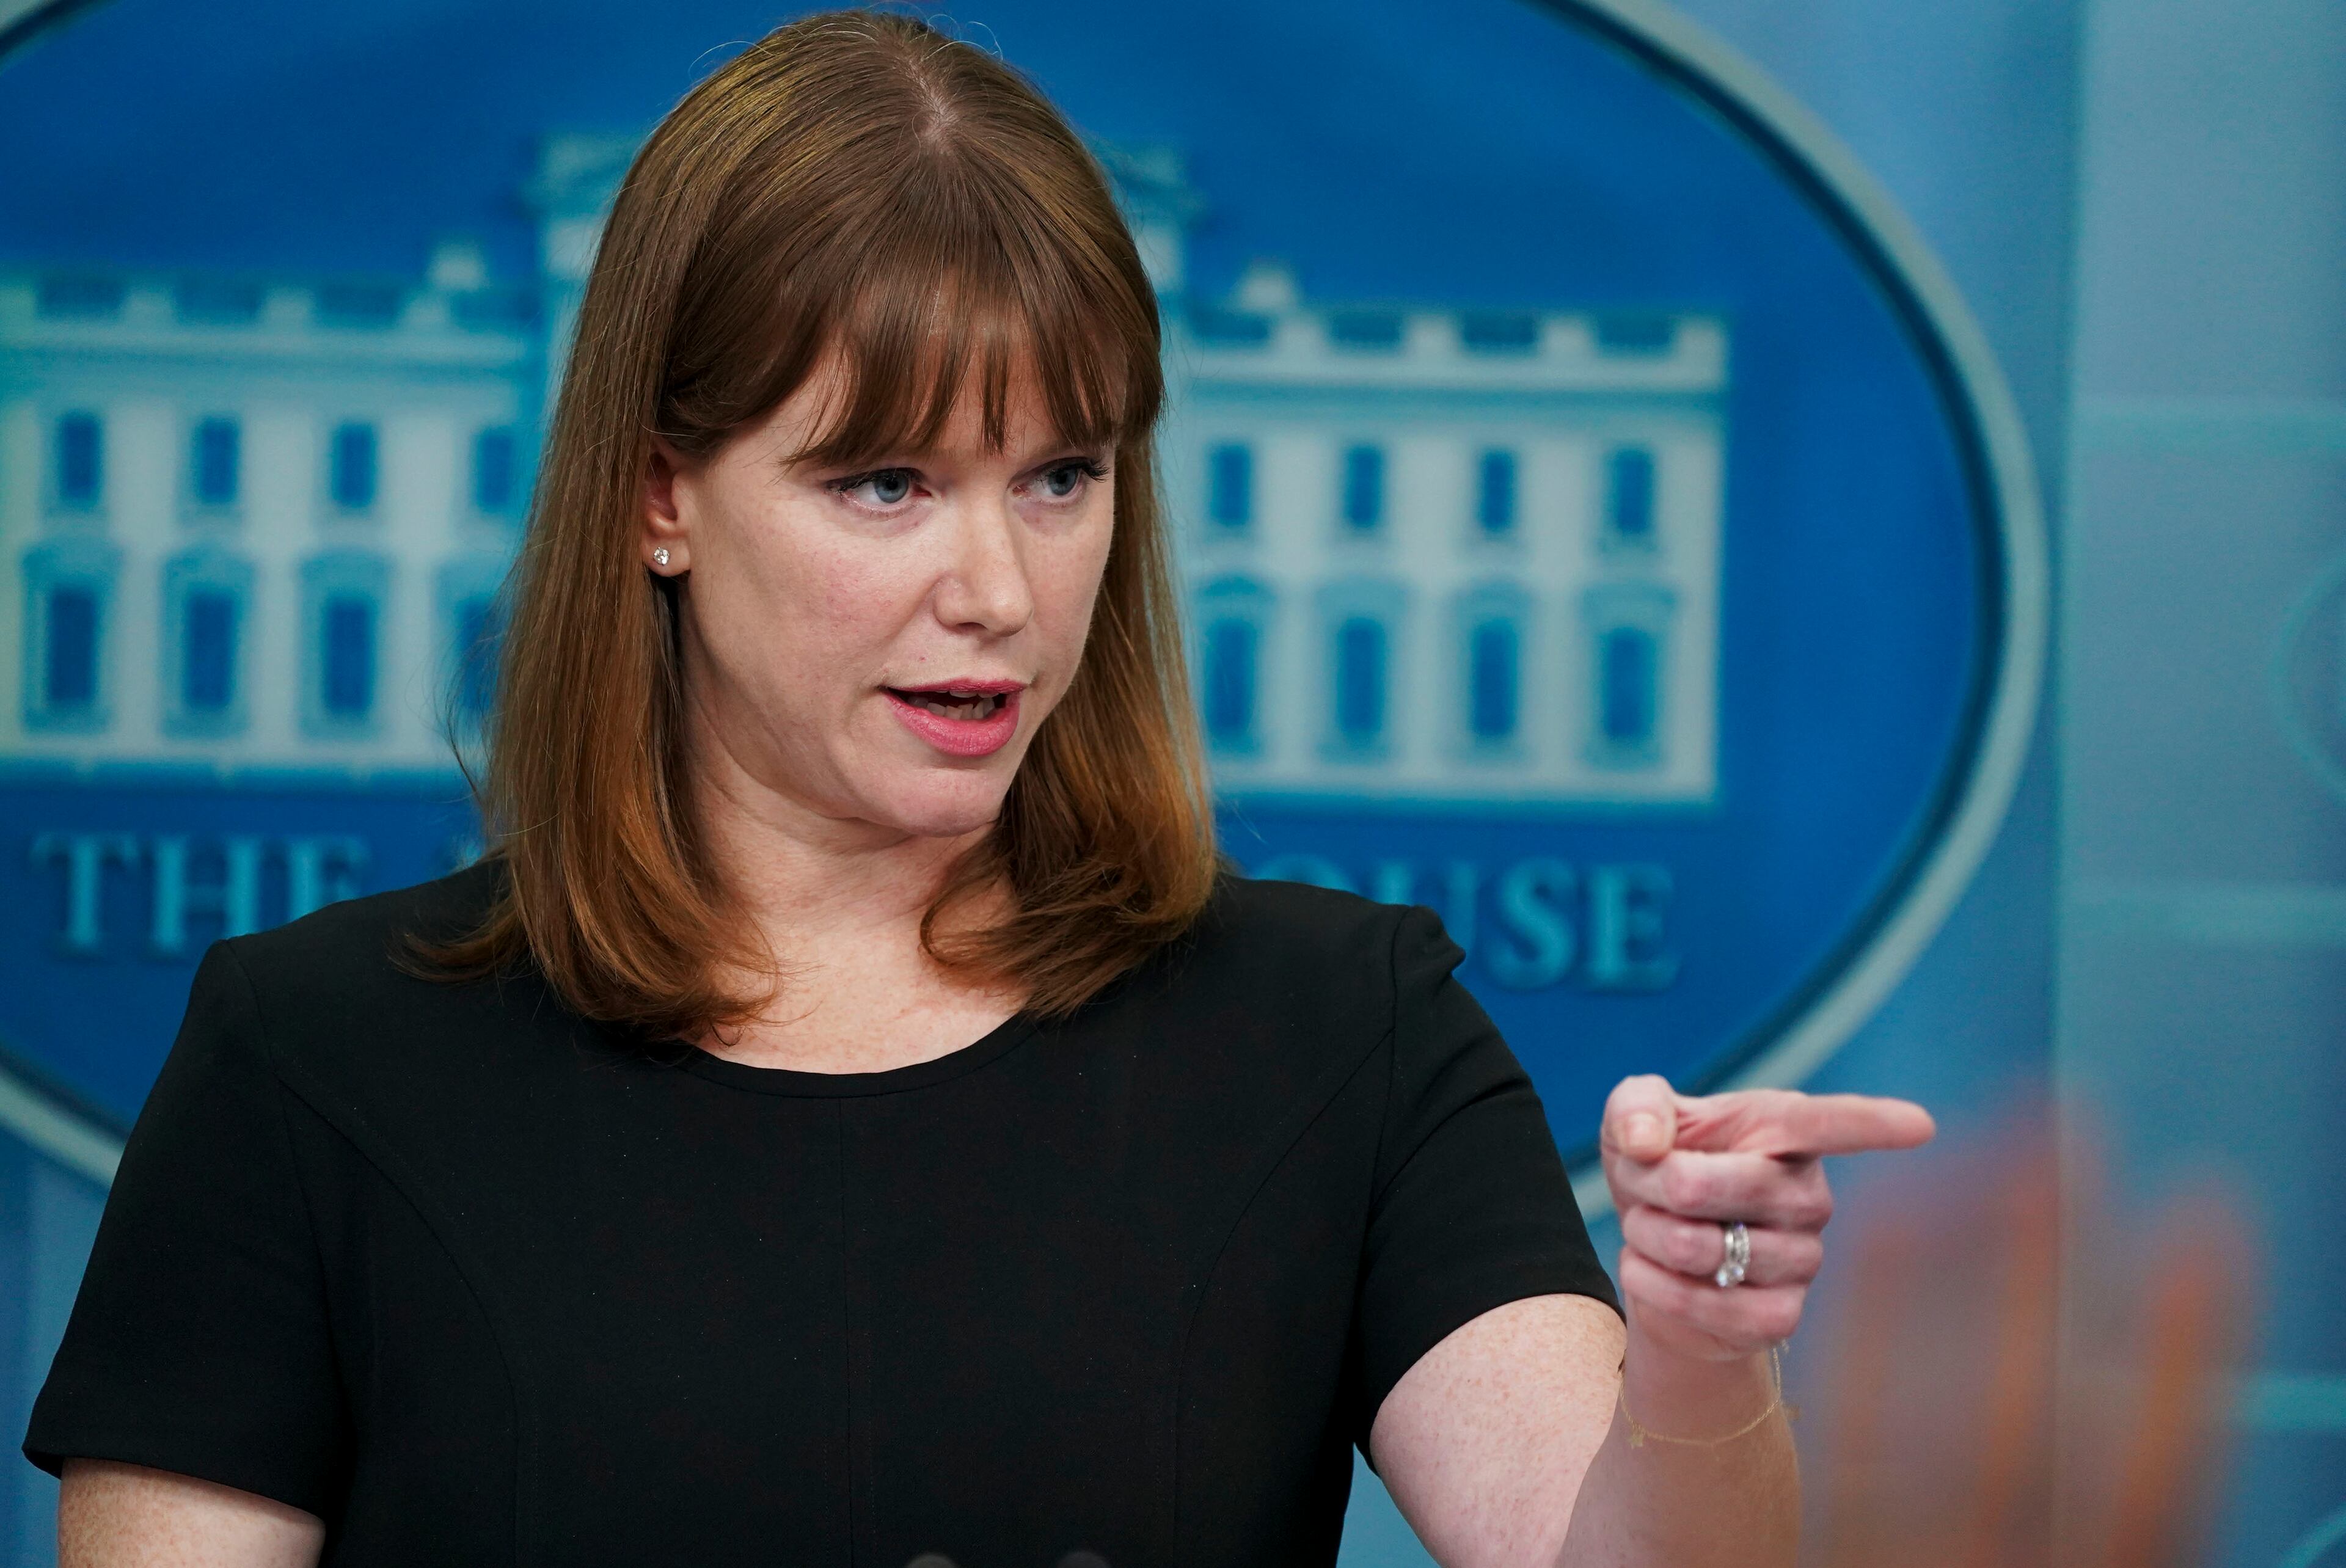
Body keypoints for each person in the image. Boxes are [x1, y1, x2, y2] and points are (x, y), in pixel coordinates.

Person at [24, 12, 1934, 1566]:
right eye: (885, 484)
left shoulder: (1347, 1032)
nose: (999, 592)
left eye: (1060, 477)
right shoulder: (312, 1059)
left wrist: (1694, 1364)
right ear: (660, 494)